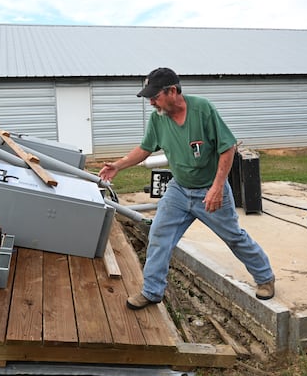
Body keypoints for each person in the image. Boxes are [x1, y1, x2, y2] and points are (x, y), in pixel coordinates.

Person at [99, 67, 275, 310]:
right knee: (159, 235)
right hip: (179, 190)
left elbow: (227, 148)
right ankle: (152, 291)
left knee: (233, 237)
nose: (151, 102)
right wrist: (118, 165)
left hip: (210, 190)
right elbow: (145, 148)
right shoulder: (157, 118)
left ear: (172, 91)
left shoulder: (203, 110)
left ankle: (265, 277)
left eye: (155, 96)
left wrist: (217, 188)